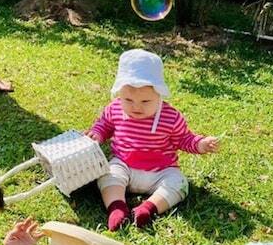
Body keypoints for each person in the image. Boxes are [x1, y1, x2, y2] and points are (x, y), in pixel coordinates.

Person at [89, 49, 219, 229]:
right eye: (128, 99)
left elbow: (183, 138)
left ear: (158, 94)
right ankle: (117, 207)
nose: (136, 107)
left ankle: (148, 208)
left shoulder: (170, 117)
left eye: (145, 102)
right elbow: (104, 125)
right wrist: (97, 134)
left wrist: (200, 144)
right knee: (107, 173)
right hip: (124, 165)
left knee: (179, 183)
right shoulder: (115, 108)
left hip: (161, 172)